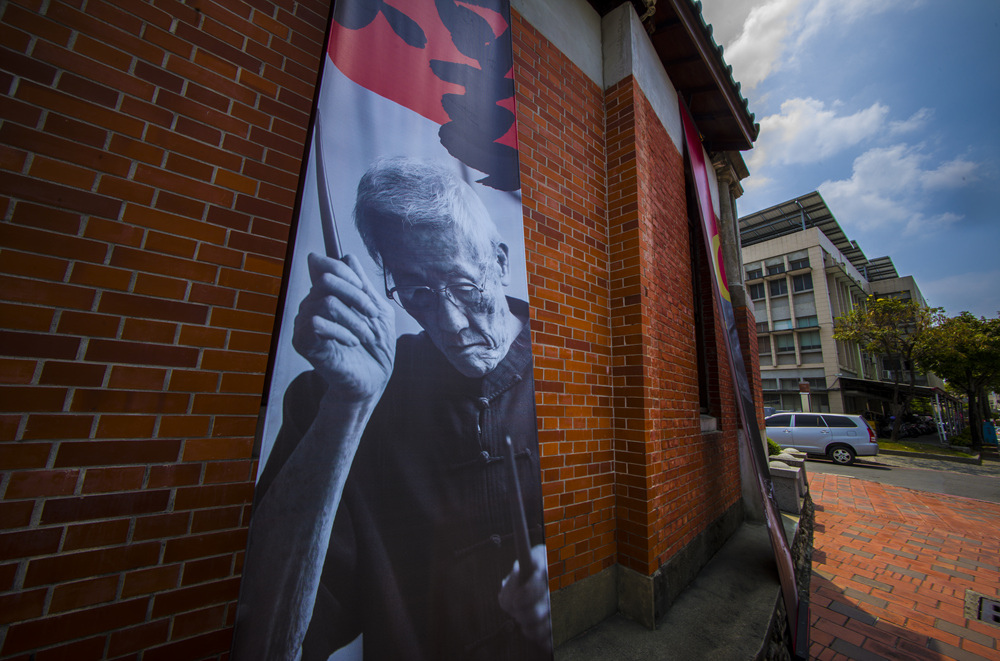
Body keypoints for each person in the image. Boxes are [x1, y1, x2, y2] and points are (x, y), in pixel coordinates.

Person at [232, 158, 552, 660]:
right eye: (417, 294)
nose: (447, 322)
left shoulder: (576, 365)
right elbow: (264, 640)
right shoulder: (337, 395)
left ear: (501, 261)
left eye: (466, 288)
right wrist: (347, 408)